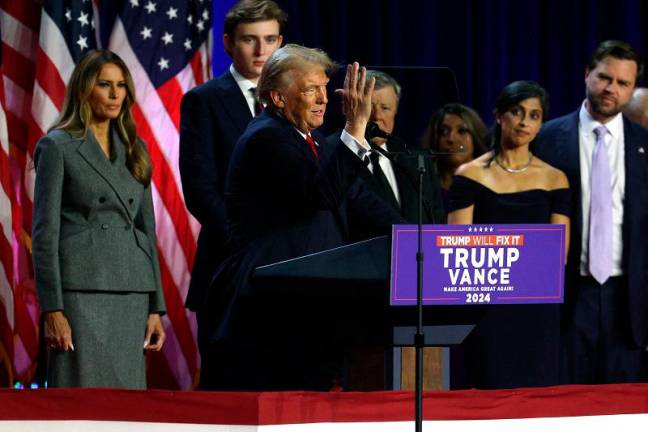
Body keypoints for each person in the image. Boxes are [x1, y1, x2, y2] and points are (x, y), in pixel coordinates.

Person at [201, 44, 403, 391]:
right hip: (268, 307)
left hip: (311, 303)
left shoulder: (317, 143)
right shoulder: (265, 139)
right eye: (311, 90)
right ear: (278, 98)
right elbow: (322, 196)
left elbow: (357, 200)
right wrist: (354, 127)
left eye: (325, 88)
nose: (324, 98)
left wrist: (420, 237)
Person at [31, 50, 166, 389]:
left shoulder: (136, 148)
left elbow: (146, 231)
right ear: (84, 90)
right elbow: (45, 234)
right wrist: (53, 309)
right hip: (80, 290)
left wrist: (156, 307)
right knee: (80, 401)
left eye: (121, 85)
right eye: (105, 85)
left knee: (125, 406)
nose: (115, 94)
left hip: (132, 290)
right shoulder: (57, 146)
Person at [178, 0, 286, 387]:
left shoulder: (297, 99)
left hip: (289, 273)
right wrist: (250, 245)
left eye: (270, 39)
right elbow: (200, 190)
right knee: (228, 391)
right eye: (249, 40)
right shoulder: (204, 100)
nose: (261, 51)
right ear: (227, 43)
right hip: (227, 268)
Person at [534, 40, 648, 384]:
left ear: (632, 89)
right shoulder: (547, 138)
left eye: (623, 83)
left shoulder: (644, 145)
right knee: (564, 404)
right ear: (587, 74)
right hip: (567, 297)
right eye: (604, 78)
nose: (611, 89)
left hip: (628, 302)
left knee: (622, 410)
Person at [448, 81, 570, 389]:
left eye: (534, 115)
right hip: (485, 307)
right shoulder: (469, 175)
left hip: (536, 311)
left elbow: (558, 255)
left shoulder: (555, 179)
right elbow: (455, 247)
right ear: (499, 115)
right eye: (517, 112)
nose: (524, 122)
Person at [331, 70, 445, 236]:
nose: (377, 116)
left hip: (417, 258)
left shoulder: (416, 158)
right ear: (350, 107)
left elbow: (436, 218)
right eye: (368, 107)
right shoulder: (332, 152)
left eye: (385, 108)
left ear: (396, 110)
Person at [421, 103, 488, 211]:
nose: (451, 139)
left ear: (476, 137)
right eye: (443, 132)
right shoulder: (423, 188)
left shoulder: (491, 187)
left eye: (462, 131)